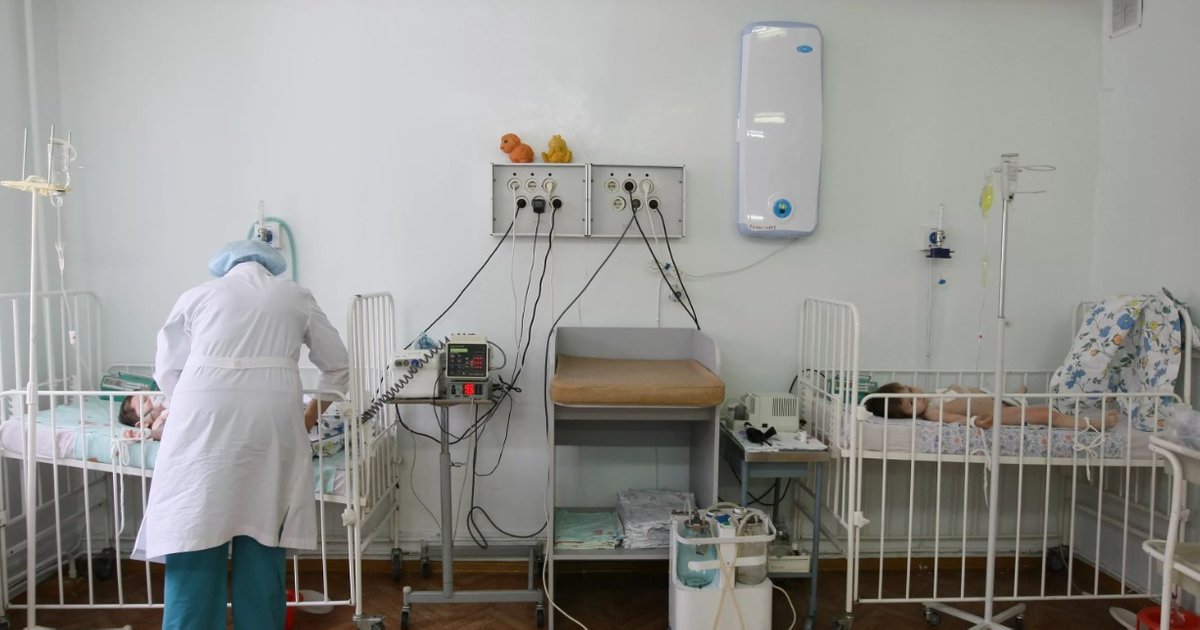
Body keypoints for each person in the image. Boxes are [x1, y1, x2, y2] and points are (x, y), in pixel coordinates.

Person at [132, 238, 349, 630]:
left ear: (224, 267)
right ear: (271, 266)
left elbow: (165, 369)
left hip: (201, 422)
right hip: (272, 424)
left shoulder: (197, 295)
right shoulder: (296, 296)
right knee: (264, 536)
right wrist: (306, 420)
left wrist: (192, 402)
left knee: (194, 533)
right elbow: (338, 367)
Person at [863, 382, 1118, 430]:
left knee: (1015, 400)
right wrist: (973, 422)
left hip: (995, 399)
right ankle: (1093, 424)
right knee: (1044, 413)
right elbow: (954, 419)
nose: (916, 395)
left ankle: (1017, 397)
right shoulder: (931, 412)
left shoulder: (932, 396)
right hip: (995, 413)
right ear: (909, 415)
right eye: (911, 402)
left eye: (910, 389)